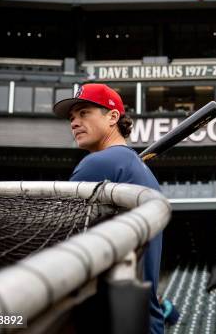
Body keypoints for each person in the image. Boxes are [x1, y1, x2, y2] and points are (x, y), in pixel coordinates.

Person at [53, 83, 164, 334]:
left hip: (114, 320)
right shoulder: (134, 166)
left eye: (84, 113)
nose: (74, 122)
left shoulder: (99, 163)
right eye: (72, 118)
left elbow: (59, 238)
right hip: (142, 319)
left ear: (113, 117)